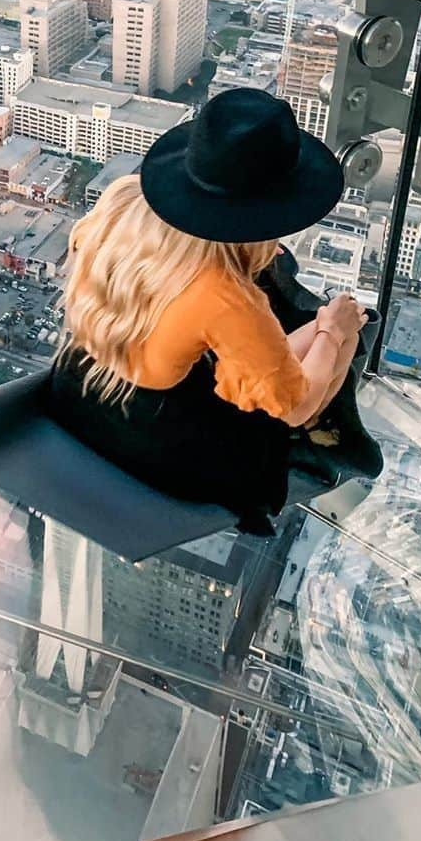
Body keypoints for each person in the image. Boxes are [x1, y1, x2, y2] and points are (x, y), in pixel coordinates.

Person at [49, 87, 377, 528]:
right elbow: (293, 404)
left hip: (80, 390)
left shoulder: (124, 203)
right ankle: (318, 436)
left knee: (312, 334)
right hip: (157, 442)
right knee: (345, 336)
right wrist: (334, 331)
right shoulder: (224, 297)